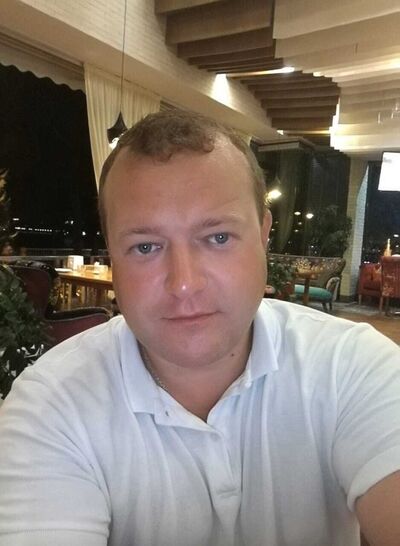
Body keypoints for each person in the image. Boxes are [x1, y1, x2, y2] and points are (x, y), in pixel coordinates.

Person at [0, 111, 400, 546]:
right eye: (145, 246)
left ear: (263, 235)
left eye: (218, 238)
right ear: (113, 253)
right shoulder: (50, 407)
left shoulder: (352, 367)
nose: (184, 283)